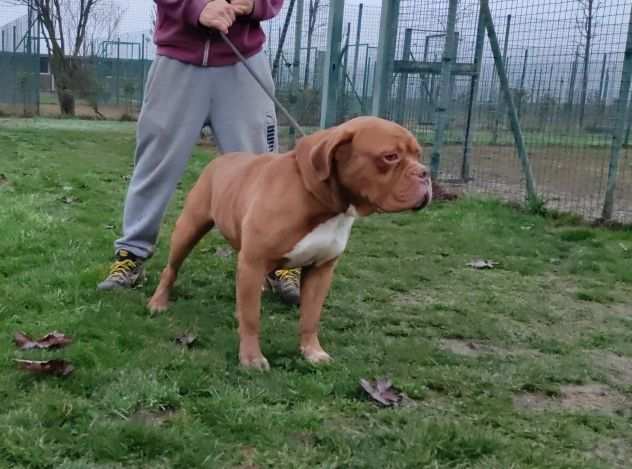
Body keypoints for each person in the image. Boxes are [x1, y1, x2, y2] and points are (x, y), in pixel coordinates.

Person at [98, 0, 301, 305]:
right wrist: (196, 7)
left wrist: (255, 4)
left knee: (264, 171)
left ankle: (279, 262)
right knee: (154, 164)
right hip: (177, 59)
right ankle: (131, 256)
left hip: (243, 61)